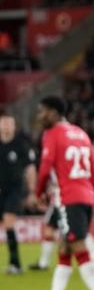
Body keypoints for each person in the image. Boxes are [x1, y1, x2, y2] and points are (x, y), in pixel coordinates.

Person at [28, 97, 94, 290]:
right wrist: (93, 197)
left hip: (69, 198)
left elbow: (45, 167)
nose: (40, 116)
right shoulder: (81, 133)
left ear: (54, 113)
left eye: (43, 111)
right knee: (65, 250)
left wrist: (37, 194)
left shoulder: (52, 134)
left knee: (80, 250)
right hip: (85, 196)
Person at [0, 114, 36, 275]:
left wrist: (32, 192)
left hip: (15, 190)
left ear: (14, 127)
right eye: (4, 123)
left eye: (10, 123)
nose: (7, 126)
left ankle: (15, 263)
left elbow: (30, 169)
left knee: (9, 221)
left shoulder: (21, 145)